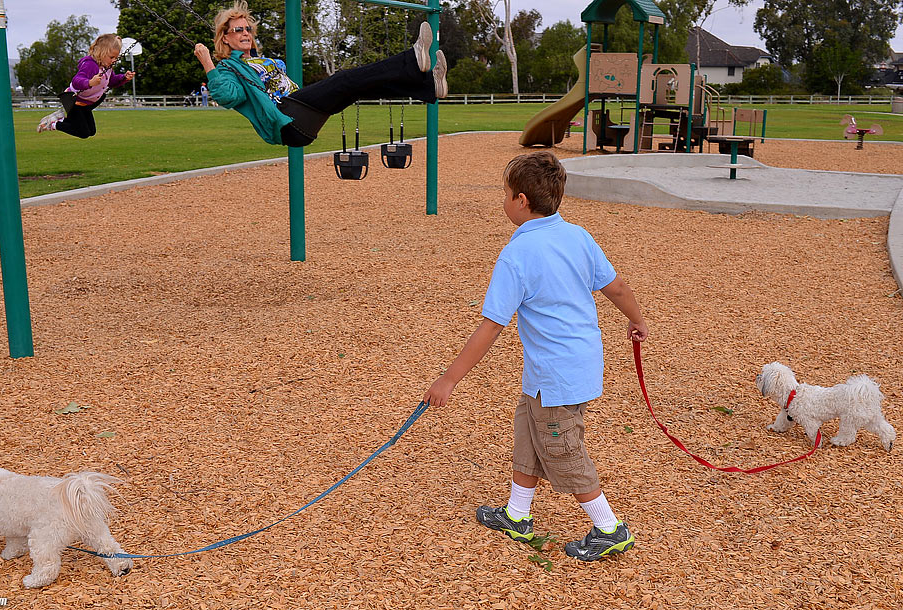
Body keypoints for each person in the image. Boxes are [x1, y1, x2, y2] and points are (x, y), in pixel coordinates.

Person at [422, 151, 649, 562]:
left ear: (522, 200)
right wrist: (636, 319)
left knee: (563, 450)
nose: (504, 200)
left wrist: (449, 379)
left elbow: (492, 325)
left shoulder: (517, 255)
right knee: (529, 432)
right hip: (572, 365)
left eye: (506, 193)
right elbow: (615, 287)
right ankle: (517, 515)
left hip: (555, 375)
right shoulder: (578, 236)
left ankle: (609, 528)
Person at [192, 1, 447, 147]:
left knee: (356, 88)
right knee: (344, 79)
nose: (245, 33)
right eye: (238, 30)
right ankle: (412, 59)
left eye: (247, 28)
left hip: (299, 109)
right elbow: (228, 97)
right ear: (225, 38)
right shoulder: (228, 68)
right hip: (286, 118)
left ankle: (429, 86)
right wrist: (207, 63)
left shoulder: (260, 60)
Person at [37, 34, 135, 137]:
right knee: (83, 132)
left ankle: (62, 119)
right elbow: (77, 80)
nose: (114, 60)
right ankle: (54, 124)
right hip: (73, 100)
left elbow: (111, 82)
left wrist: (124, 77)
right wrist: (89, 82)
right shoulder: (90, 65)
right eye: (111, 57)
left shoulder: (107, 67)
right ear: (101, 53)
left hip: (86, 104)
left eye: (116, 57)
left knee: (91, 131)